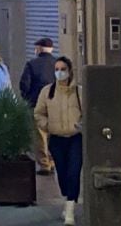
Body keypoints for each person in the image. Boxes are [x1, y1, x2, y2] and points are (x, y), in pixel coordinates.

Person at [34, 56, 83, 226]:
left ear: (69, 71)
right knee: (62, 173)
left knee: (74, 172)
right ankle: (67, 198)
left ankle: (70, 209)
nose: (59, 72)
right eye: (57, 69)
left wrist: (80, 126)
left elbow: (87, 112)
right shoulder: (47, 92)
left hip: (75, 138)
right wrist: (47, 125)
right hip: (56, 138)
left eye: (63, 69)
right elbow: (39, 112)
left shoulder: (79, 91)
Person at [20, 37, 58, 174]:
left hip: (37, 104)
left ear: (39, 49)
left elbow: (24, 84)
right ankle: (53, 161)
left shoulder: (31, 64)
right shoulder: (58, 64)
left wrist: (27, 98)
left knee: (40, 135)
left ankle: (44, 164)